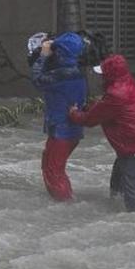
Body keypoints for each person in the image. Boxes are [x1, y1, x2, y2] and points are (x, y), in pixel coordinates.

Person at [69, 53, 135, 212]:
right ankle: (116, 212)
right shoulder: (126, 82)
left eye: (103, 73)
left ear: (111, 74)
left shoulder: (117, 94)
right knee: (117, 183)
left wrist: (73, 113)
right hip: (132, 146)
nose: (100, 77)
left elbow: (90, 120)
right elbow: (105, 108)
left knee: (128, 186)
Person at [30, 31, 88, 201]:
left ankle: (66, 204)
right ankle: (64, 200)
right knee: (52, 167)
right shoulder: (73, 71)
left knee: (53, 171)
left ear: (61, 52)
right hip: (68, 130)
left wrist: (42, 56)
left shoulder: (64, 74)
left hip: (62, 130)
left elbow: (37, 80)